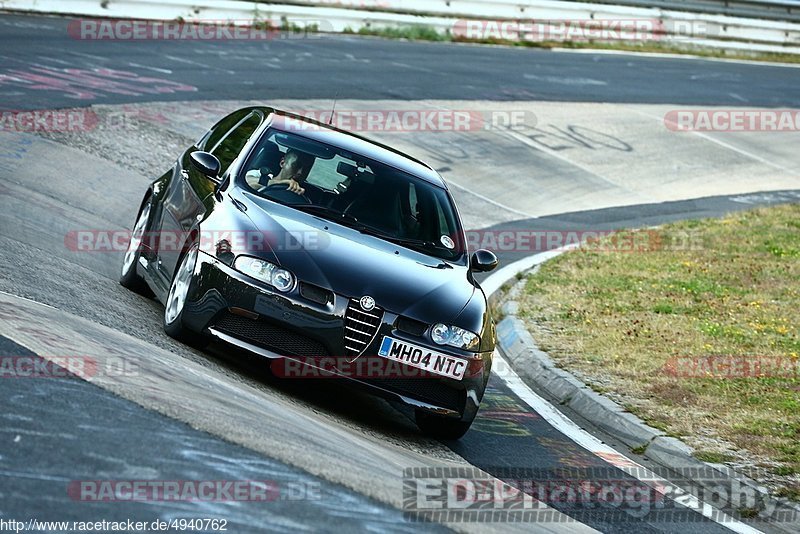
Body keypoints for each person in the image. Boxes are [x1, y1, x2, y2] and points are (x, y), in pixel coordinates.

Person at [245, 149, 312, 203]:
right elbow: (245, 181)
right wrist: (279, 183)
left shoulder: (307, 196)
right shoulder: (260, 174)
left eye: (306, 169)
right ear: (282, 163)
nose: (300, 172)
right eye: (296, 166)